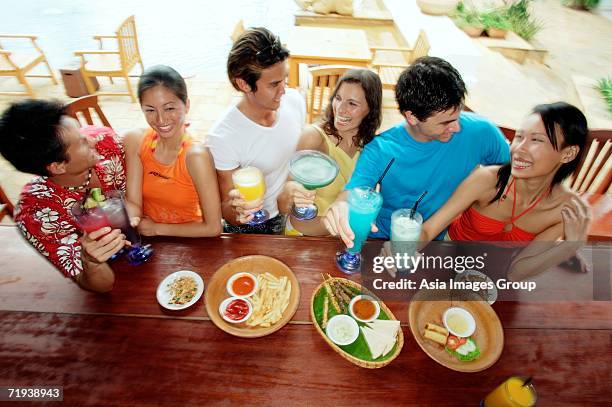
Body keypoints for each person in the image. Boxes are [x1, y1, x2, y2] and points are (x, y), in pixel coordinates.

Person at [324, 56, 510, 246]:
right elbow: (352, 193)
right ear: (412, 117)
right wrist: (340, 207)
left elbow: (511, 178)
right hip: (380, 240)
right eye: (445, 122)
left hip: (437, 244)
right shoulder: (380, 149)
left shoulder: (482, 132)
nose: (456, 128)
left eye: (457, 115)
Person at [419, 102, 592, 281]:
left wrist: (567, 248)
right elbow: (428, 230)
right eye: (519, 137)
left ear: (568, 154)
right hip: (448, 254)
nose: (518, 149)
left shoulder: (566, 211)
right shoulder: (487, 180)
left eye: (537, 140)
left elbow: (515, 272)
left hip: (494, 272)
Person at [0, 100, 126, 292]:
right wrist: (90, 261)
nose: (92, 139)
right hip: (119, 276)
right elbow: (99, 285)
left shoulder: (107, 143)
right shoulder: (37, 215)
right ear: (58, 166)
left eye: (82, 131)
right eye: (82, 142)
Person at [207, 27, 306, 234]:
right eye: (274, 84)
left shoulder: (295, 101)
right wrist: (240, 213)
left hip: (292, 211)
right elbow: (227, 208)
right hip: (256, 225)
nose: (284, 90)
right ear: (244, 84)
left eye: (285, 79)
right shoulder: (223, 136)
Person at [279, 68, 383, 235]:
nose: (340, 109)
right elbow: (283, 201)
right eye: (338, 98)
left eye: (352, 103)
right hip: (302, 238)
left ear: (370, 108)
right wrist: (291, 192)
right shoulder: (314, 137)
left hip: (344, 239)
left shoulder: (371, 146)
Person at [123, 65, 222, 237]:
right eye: (150, 110)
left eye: (169, 108)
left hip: (192, 243)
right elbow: (133, 202)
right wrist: (131, 220)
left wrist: (156, 229)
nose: (161, 119)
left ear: (187, 105)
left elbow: (213, 228)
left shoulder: (196, 157)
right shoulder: (135, 141)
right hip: (150, 242)